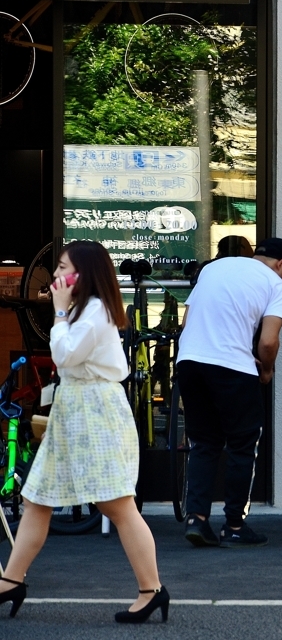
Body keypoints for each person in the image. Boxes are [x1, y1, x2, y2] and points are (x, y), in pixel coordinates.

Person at [0, 241, 168, 623]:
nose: (57, 276)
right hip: (75, 410)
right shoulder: (86, 310)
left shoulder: (95, 311)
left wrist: (58, 313)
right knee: (38, 498)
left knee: (117, 504)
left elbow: (65, 355)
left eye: (63, 269)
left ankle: (151, 589)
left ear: (84, 273)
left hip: (95, 411)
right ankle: (12, 579)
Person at [176, 237, 282, 548]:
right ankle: (234, 523)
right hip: (233, 366)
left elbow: (187, 319)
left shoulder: (212, 269)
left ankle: (197, 519)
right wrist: (267, 369)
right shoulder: (275, 284)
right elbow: (269, 342)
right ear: (281, 264)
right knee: (242, 444)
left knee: (203, 443)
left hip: (189, 361)